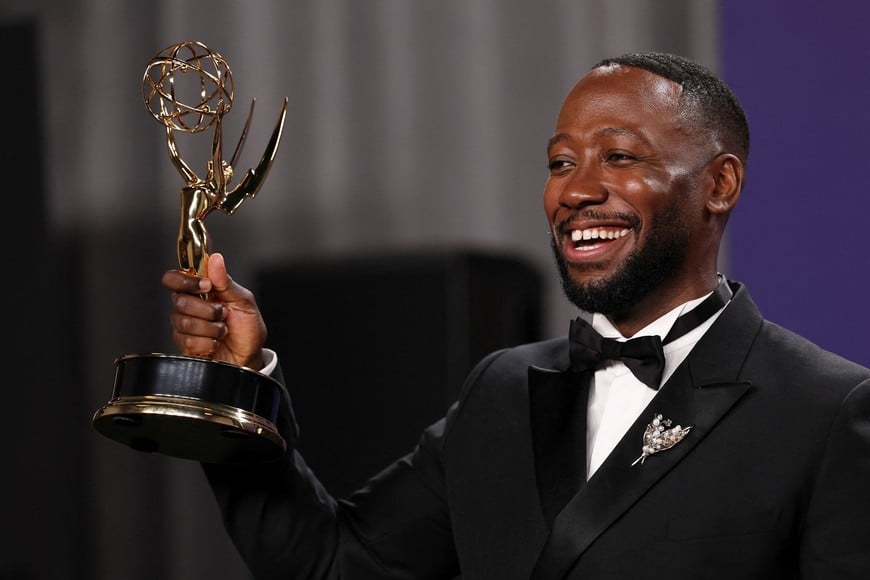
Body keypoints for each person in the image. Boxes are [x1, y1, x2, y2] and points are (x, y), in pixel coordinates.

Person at [161, 52, 870, 579]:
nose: (577, 191)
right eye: (561, 163)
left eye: (619, 156)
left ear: (720, 184)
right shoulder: (500, 391)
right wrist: (238, 384)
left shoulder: (826, 410)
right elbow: (334, 565)